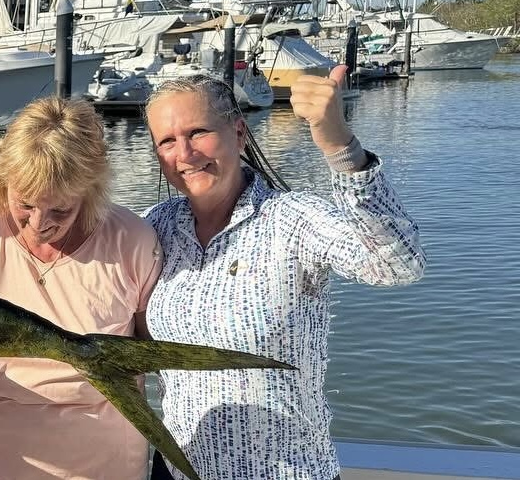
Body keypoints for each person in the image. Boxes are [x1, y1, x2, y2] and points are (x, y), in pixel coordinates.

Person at [142, 67, 426, 480]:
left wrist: (339, 145)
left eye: (198, 132)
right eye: (167, 141)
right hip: (179, 470)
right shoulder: (155, 227)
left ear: (239, 133)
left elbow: (399, 264)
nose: (184, 153)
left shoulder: (291, 220)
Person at [0, 96, 162, 480]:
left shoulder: (132, 241)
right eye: (24, 204)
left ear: (91, 193)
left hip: (107, 462)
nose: (39, 224)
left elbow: (151, 352)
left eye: (61, 210)